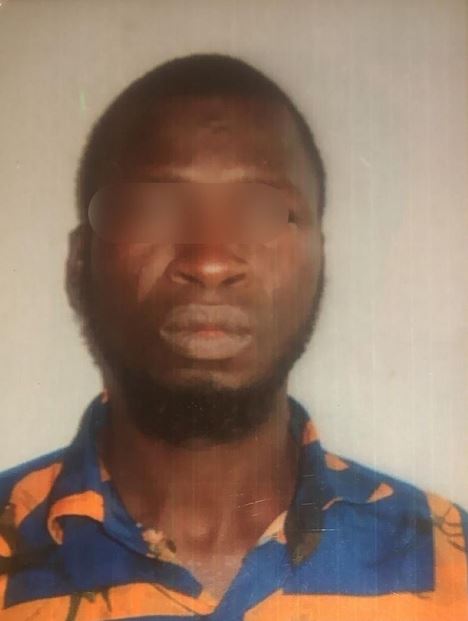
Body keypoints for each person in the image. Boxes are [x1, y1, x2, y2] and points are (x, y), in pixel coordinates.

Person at [0, 54, 466, 621]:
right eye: (152, 209)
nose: (210, 261)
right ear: (80, 264)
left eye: (264, 210)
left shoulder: (454, 572)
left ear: (320, 263)